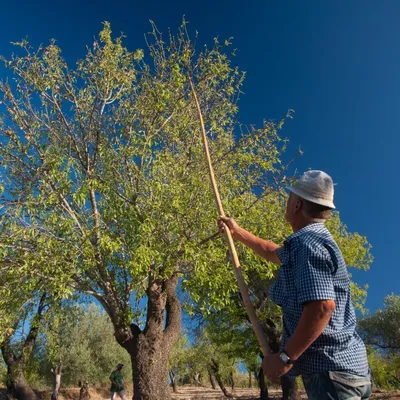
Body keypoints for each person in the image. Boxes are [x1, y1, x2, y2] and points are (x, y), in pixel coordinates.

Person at [218, 170, 371, 400]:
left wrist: (284, 358)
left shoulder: (307, 244)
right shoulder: (309, 241)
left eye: (288, 199)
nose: (286, 203)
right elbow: (271, 250)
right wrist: (237, 231)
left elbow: (322, 307)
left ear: (297, 204)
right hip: (345, 371)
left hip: (331, 375)